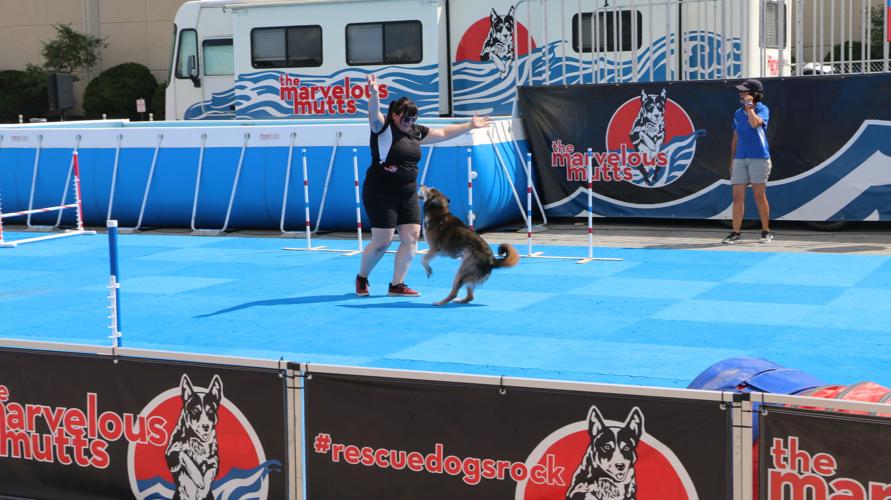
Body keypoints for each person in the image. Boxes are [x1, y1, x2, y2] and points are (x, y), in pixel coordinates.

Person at [355, 74, 492, 297]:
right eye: (405, 119)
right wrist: (373, 94)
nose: (409, 123)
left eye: (413, 119)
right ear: (395, 114)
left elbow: (443, 133)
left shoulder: (415, 131)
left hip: (408, 193)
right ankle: (362, 278)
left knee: (411, 238)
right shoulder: (382, 128)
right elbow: (373, 113)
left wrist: (470, 125)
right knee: (383, 242)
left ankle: (396, 285)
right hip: (380, 192)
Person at [722, 78, 773, 245]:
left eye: (744, 91)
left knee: (759, 195)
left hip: (759, 157)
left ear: (754, 94)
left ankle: (766, 231)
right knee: (737, 197)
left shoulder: (762, 109)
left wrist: (750, 107)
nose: (741, 94)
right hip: (740, 158)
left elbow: (755, 123)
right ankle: (735, 232)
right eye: (741, 91)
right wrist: (732, 159)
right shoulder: (737, 113)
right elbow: (735, 137)